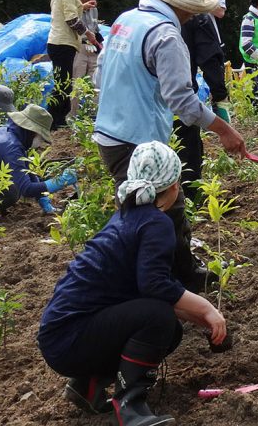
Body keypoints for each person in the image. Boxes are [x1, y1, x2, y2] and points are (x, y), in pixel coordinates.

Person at [38, 141, 226, 425]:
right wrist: (208, 308)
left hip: (60, 337)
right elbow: (155, 286)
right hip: (72, 338)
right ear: (175, 186)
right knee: (158, 319)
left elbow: (145, 290)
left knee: (167, 326)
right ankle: (130, 408)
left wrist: (201, 317)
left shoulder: (127, 217)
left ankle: (87, 386)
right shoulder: (156, 223)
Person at [94, 0, 248, 292]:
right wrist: (224, 129)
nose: (194, 16)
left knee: (159, 210)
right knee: (153, 213)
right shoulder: (166, 36)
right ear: (183, 4)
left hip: (108, 135)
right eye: (193, 9)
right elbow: (182, 100)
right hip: (137, 140)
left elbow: (98, 76)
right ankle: (154, 286)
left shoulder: (125, 21)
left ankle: (180, 275)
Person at [172, 0, 231, 204]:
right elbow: (210, 59)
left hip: (138, 106)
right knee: (188, 148)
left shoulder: (143, 13)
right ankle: (191, 199)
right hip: (179, 96)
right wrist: (220, 99)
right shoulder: (197, 15)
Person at [48, 0, 97, 130]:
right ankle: (54, 121)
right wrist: (88, 33)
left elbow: (64, 12)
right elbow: (71, 19)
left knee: (63, 83)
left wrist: (82, 6)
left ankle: (58, 120)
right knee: (63, 85)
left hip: (57, 42)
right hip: (63, 44)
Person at [69, 0, 103, 118]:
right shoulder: (74, 7)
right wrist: (82, 7)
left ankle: (93, 115)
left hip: (93, 48)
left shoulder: (94, 9)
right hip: (80, 47)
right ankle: (72, 115)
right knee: (77, 81)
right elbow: (71, 20)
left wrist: (99, 42)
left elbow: (95, 27)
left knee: (95, 81)